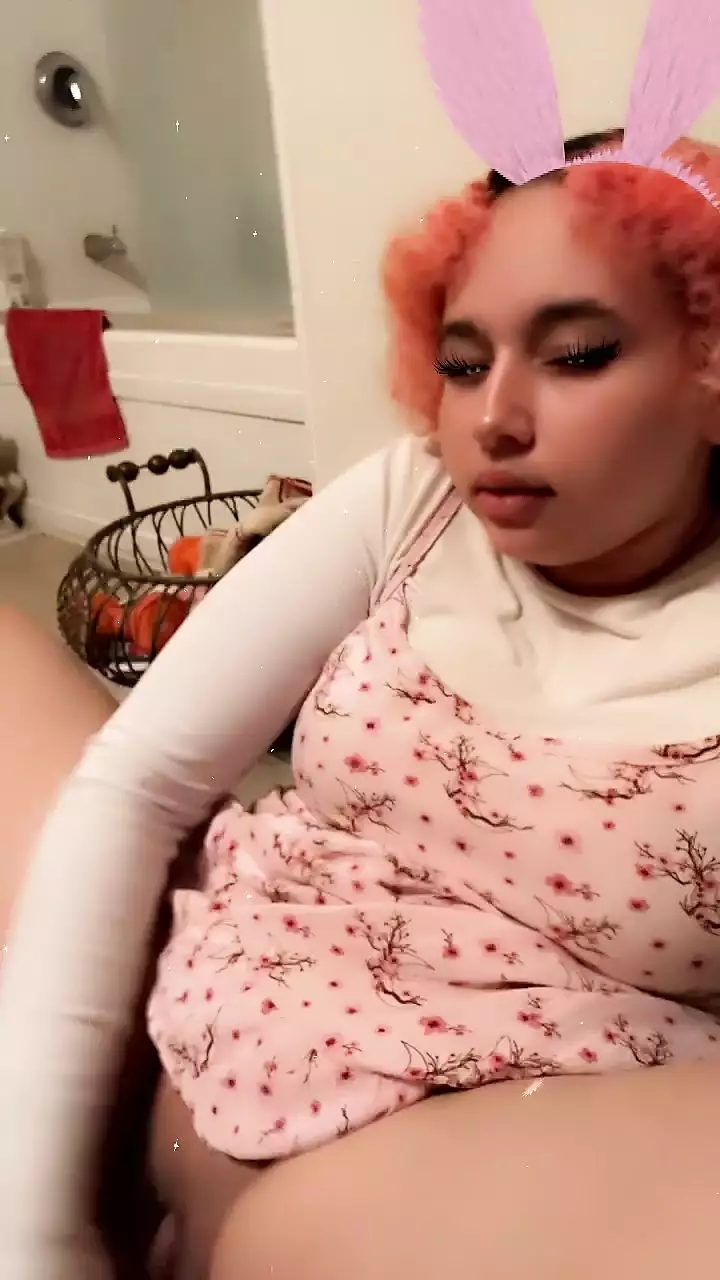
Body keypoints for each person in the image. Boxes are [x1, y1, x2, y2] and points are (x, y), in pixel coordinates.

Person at [3, 126, 720, 1279]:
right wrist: (34, 1223)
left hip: (501, 1126)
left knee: (291, 1236)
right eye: (464, 361)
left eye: (578, 353)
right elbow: (134, 780)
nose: (494, 417)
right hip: (230, 960)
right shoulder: (419, 494)